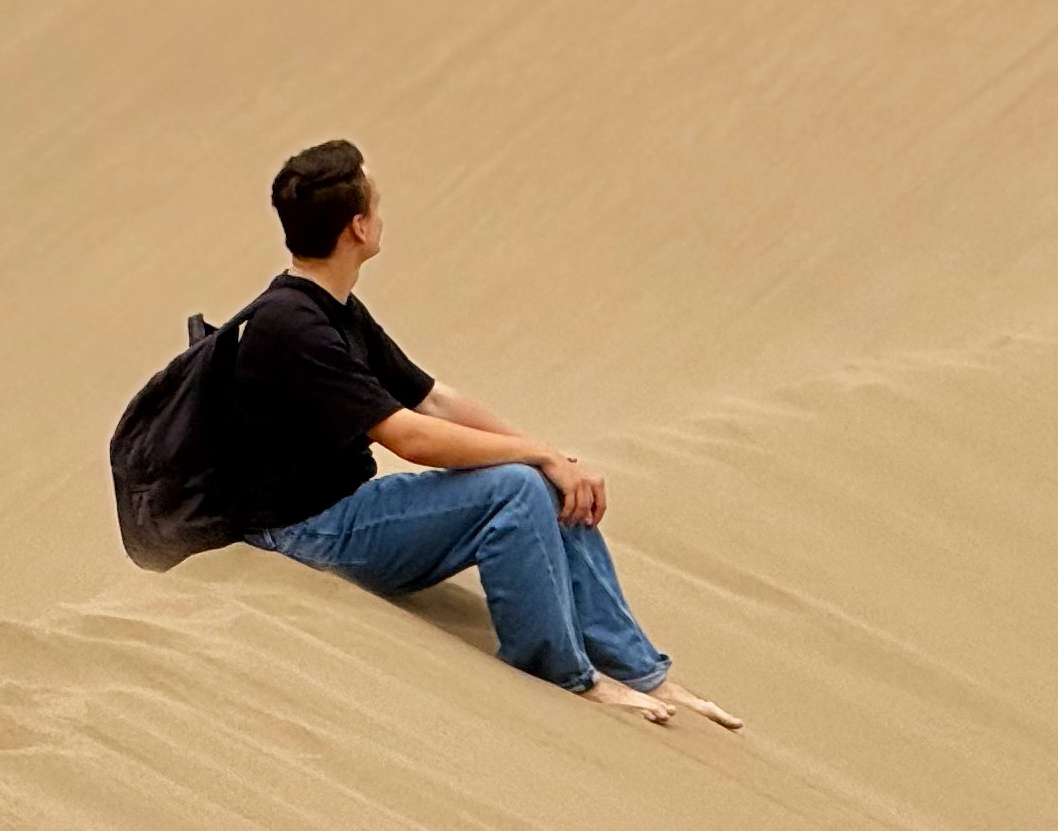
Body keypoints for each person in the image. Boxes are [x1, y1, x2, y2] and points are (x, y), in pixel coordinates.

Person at [212, 140, 738, 733]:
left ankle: (640, 671)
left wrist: (552, 457)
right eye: (377, 205)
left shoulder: (330, 307)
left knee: (539, 479)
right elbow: (410, 438)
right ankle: (565, 674)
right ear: (358, 227)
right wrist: (535, 455)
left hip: (345, 511)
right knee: (515, 488)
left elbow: (433, 398)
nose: (382, 216)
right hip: (304, 532)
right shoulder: (292, 326)